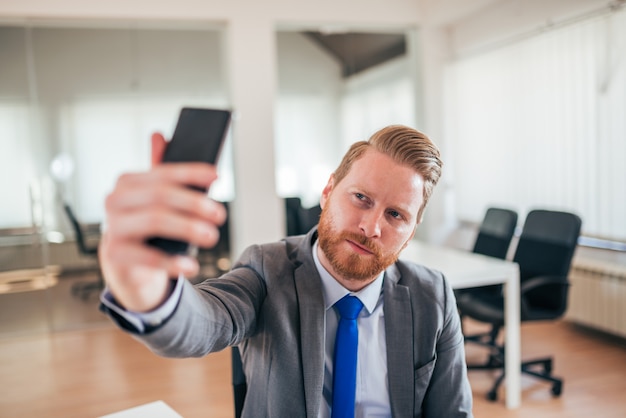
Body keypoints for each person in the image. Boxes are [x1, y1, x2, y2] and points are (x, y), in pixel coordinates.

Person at [100, 125, 473, 417]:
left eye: (396, 215)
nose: (372, 227)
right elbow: (203, 321)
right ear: (328, 192)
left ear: (410, 233)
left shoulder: (432, 295)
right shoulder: (266, 268)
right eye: (361, 198)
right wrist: (153, 293)